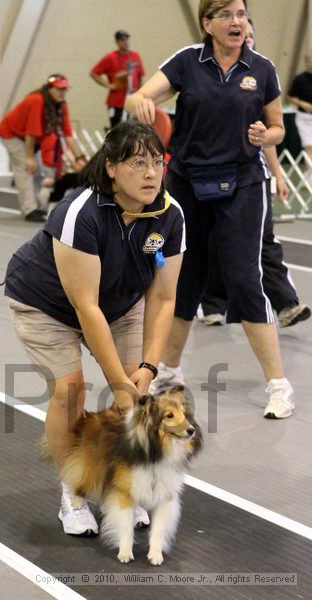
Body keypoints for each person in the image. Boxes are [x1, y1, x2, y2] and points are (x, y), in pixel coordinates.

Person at [4, 121, 185, 534]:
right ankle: (75, 491)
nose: (151, 173)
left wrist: (148, 369)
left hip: (121, 302)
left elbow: (163, 298)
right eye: (138, 162)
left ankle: (125, 488)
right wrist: (117, 381)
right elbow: (85, 307)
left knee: (137, 393)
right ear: (111, 168)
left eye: (157, 162)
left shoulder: (170, 215)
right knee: (70, 392)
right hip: (46, 304)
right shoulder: (78, 213)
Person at [126, 0, 295, 419]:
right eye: (226, 15)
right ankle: (169, 372)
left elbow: (278, 127)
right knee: (184, 279)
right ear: (208, 24)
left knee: (243, 278)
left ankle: (279, 386)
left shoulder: (263, 68)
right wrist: (143, 105)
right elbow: (139, 97)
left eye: (241, 14)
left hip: (243, 182)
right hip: (187, 184)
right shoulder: (187, 62)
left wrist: (264, 134)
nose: (236, 22)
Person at [200, 18, 311, 329]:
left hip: (251, 178)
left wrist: (279, 174)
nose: (245, 39)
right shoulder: (212, 76)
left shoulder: (262, 76)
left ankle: (286, 303)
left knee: (263, 239)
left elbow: (268, 135)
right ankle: (212, 303)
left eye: (250, 36)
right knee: (213, 238)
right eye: (240, 34)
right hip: (212, 172)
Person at [0, 74, 85, 222]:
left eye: (65, 89)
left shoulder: (61, 105)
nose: (62, 93)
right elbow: (31, 132)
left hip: (30, 139)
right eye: (59, 89)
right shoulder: (37, 100)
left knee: (38, 171)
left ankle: (39, 206)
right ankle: (30, 209)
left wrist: (80, 157)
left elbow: (68, 134)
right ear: (50, 89)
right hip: (12, 134)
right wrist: (29, 157)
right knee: (26, 169)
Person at [90, 30, 145, 128]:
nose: (125, 42)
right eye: (122, 40)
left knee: (132, 128)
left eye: (126, 39)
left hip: (132, 99)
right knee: (117, 127)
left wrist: (140, 94)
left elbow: (140, 75)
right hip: (117, 101)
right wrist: (108, 85)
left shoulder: (135, 56)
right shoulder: (111, 57)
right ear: (117, 42)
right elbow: (94, 73)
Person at [288, 51, 312, 184]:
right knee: (309, 147)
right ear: (307, 62)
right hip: (303, 117)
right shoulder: (300, 79)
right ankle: (308, 177)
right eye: (310, 61)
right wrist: (302, 103)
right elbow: (291, 97)